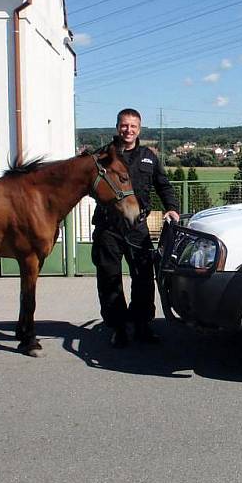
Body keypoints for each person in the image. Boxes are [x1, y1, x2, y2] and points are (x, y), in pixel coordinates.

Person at [91, 108, 180, 348]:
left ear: (139, 129)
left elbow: (164, 186)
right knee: (109, 279)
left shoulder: (148, 156)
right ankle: (118, 327)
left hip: (137, 227)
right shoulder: (103, 156)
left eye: (133, 126)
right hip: (108, 227)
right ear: (117, 126)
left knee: (143, 278)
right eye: (124, 125)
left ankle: (142, 325)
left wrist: (172, 208)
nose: (128, 130)